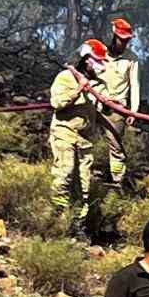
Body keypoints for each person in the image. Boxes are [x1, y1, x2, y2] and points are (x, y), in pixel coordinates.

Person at [49, 38, 107, 224]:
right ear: (85, 59)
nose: (99, 66)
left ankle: (76, 223)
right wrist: (78, 90)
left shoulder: (98, 84)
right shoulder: (66, 77)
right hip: (64, 133)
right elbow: (57, 104)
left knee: (84, 183)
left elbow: (100, 110)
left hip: (84, 139)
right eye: (96, 61)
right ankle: (56, 217)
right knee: (65, 173)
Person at [93, 17, 139, 187]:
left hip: (117, 108)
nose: (124, 43)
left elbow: (134, 85)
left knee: (115, 145)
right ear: (114, 36)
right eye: (121, 39)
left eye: (127, 40)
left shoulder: (132, 59)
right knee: (84, 138)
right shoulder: (100, 52)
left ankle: (118, 181)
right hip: (94, 104)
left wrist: (133, 111)